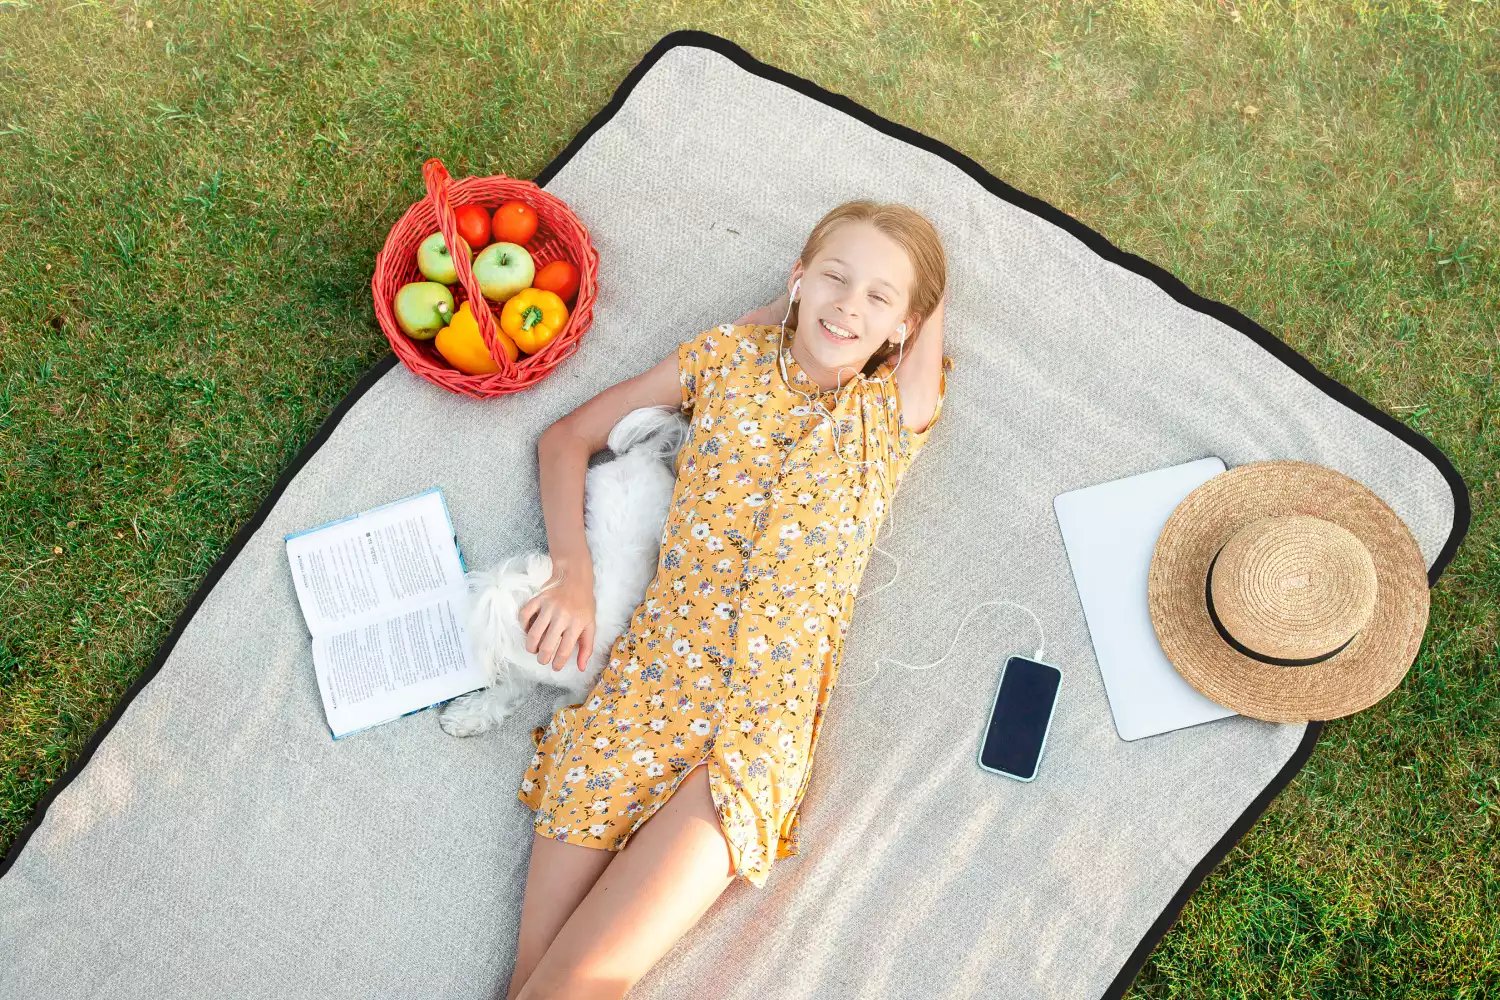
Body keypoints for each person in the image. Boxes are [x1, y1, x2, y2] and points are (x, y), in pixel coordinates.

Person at [506, 200, 950, 1000]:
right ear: (796, 279)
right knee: (532, 985)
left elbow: (922, 298)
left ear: (905, 329)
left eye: (879, 299)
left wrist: (873, 297)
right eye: (834, 279)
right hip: (640, 698)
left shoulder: (890, 420)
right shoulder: (725, 361)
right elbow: (565, 438)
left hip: (749, 744)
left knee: (574, 989)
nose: (850, 304)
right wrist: (573, 573)